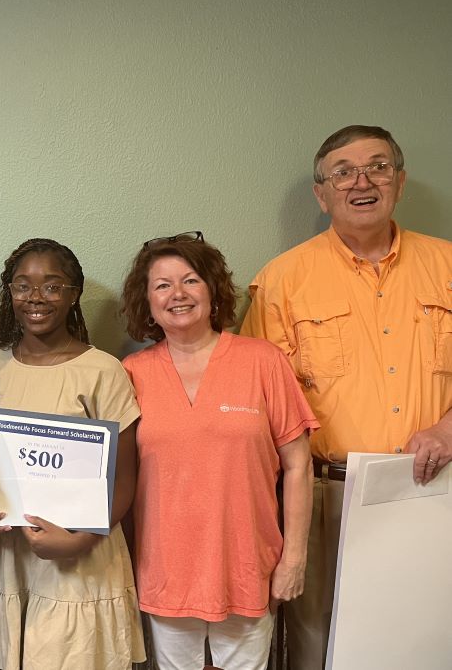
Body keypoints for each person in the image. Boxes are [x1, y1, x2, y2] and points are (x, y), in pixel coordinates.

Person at [241, 124, 452, 670]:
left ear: (400, 182)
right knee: (319, 644)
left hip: (439, 485)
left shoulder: (448, 266)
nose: (362, 181)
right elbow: (257, 402)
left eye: (378, 166)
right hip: (324, 494)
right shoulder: (283, 279)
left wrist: (448, 429)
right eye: (343, 172)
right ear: (322, 193)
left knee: (427, 638)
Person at [120, 232, 318, 670]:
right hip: (166, 570)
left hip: (249, 566)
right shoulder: (130, 373)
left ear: (212, 288)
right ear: (147, 301)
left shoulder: (263, 361)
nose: (178, 294)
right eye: (162, 285)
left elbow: (299, 465)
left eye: (190, 280)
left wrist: (294, 559)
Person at [0, 238, 146, 670]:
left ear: (74, 294)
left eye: (52, 286)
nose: (36, 298)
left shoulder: (103, 370)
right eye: (22, 285)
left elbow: (124, 479)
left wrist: (81, 539)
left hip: (82, 556)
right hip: (13, 556)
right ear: (9, 293)